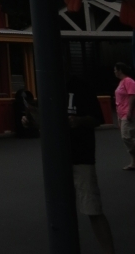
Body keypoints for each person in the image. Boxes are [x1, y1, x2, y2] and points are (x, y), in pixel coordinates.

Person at [66, 75, 116, 254]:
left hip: (81, 155)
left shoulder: (80, 84)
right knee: (59, 209)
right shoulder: (46, 84)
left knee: (92, 208)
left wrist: (78, 121)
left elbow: (97, 118)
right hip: (55, 159)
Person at [113, 62, 135, 170]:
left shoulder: (128, 81)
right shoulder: (121, 82)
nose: (114, 72)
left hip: (128, 113)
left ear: (120, 70)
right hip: (121, 113)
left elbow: (132, 96)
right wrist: (118, 117)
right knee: (128, 136)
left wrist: (130, 111)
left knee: (126, 136)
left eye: (115, 69)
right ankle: (134, 162)